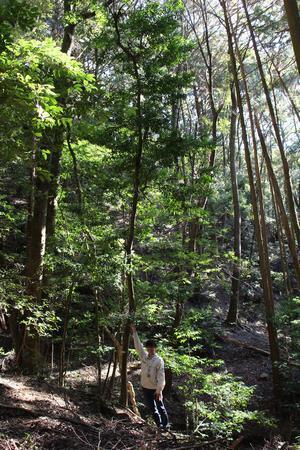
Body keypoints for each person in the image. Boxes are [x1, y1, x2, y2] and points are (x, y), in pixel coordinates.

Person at [130, 323, 170, 431]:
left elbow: (162, 376)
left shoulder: (159, 360)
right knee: (153, 409)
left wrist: (159, 390)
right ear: (147, 348)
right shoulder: (144, 356)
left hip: (155, 389)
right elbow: (138, 346)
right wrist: (134, 332)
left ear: (155, 348)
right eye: (149, 347)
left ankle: (166, 426)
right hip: (145, 387)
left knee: (160, 407)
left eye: (152, 347)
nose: (150, 349)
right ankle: (159, 425)